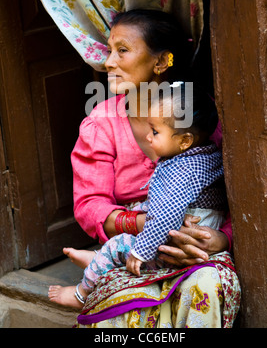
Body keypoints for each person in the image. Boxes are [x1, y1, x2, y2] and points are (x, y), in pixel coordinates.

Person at [49, 9, 240, 327]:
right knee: (125, 314)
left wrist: (221, 239)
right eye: (110, 50)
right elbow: (90, 206)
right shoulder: (101, 123)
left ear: (162, 61)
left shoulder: (200, 115)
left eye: (122, 50)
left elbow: (234, 190)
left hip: (196, 249)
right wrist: (151, 226)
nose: (109, 62)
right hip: (136, 250)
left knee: (208, 285)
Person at [48, 82, 228, 308]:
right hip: (198, 223)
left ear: (184, 141)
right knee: (137, 210)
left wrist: (141, 251)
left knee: (118, 245)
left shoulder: (181, 171)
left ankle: (81, 292)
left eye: (155, 132)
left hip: (178, 245)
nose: (149, 137)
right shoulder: (206, 155)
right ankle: (101, 260)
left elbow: (165, 217)